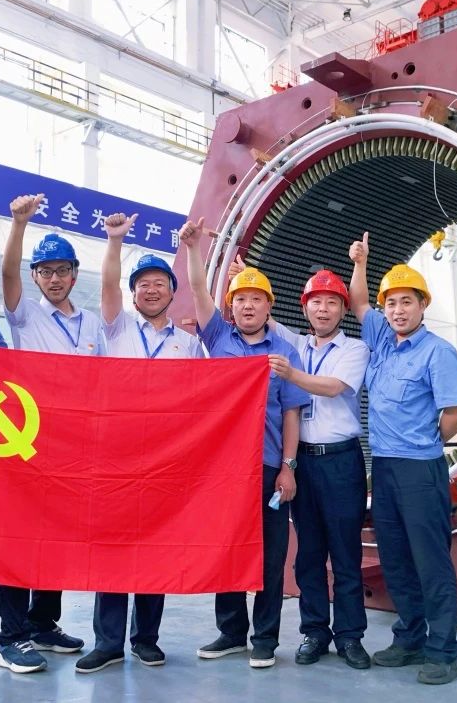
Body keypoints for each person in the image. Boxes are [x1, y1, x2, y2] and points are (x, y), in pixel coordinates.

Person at [74, 214, 204, 674]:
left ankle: (146, 639)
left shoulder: (189, 345)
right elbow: (107, 284)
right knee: (112, 549)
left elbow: (200, 399)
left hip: (165, 461)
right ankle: (108, 642)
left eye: (159, 283)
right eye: (142, 284)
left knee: (156, 548)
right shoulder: (116, 330)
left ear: (172, 292)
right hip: (115, 457)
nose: (151, 290)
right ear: (132, 294)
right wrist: (114, 241)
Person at [178, 218, 310, 669]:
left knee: (271, 556)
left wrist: (289, 466)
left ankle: (265, 639)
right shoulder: (218, 337)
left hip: (268, 466)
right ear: (230, 308)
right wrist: (193, 249)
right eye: (240, 299)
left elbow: (291, 413)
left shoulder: (284, 353)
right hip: (223, 469)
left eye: (256, 298)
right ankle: (231, 632)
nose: (248, 305)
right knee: (228, 548)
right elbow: (198, 289)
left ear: (269, 306)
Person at [347, 232, 457, 686]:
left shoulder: (438, 352)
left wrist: (425, 441)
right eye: (392, 303)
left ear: (422, 306)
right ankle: (410, 638)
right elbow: (359, 302)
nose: (398, 310)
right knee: (396, 557)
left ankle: (444, 651)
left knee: (430, 561)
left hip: (420, 469)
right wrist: (361, 263)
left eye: (406, 302)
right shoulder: (381, 339)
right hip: (384, 468)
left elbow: (455, 412)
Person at [0, 193, 99, 674]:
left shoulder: (92, 324)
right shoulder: (26, 316)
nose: (54, 279)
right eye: (45, 271)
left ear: (74, 275)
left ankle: (43, 623)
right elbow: (7, 275)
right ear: (35, 277)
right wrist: (18, 225)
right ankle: (11, 636)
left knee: (55, 537)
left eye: (62, 271)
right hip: (28, 442)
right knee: (21, 538)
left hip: (73, 447)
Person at [265, 268, 372, 670]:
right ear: (305, 308)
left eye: (331, 303)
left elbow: (334, 387)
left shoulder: (355, 349)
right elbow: (261, 316)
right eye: (316, 302)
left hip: (341, 462)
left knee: (345, 551)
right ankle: (314, 632)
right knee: (308, 553)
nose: (323, 309)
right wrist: (247, 278)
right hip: (302, 462)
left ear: (343, 310)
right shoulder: (295, 343)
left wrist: (291, 374)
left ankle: (349, 636)